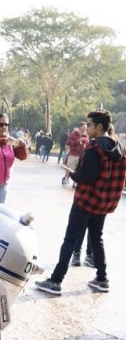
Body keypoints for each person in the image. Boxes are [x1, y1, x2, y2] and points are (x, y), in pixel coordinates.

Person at [35, 109, 126, 295]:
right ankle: (102, 279)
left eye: (90, 125)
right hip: (102, 204)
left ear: (99, 127)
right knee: (96, 239)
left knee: (70, 239)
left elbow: (87, 177)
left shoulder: (94, 148)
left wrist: (70, 172)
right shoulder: (119, 149)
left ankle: (56, 281)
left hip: (85, 202)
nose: (87, 129)